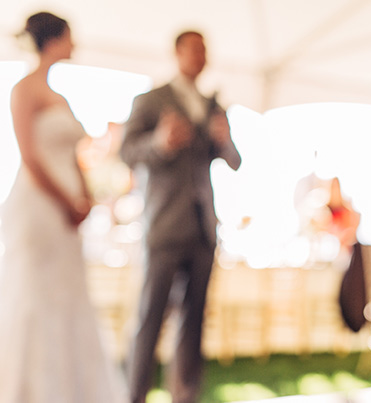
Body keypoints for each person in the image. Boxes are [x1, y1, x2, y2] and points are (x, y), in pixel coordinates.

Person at [0, 12, 125, 402]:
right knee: (34, 292)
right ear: (54, 39)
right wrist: (67, 200)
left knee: (68, 293)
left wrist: (85, 196)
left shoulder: (61, 96)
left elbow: (72, 156)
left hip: (67, 211)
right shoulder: (24, 90)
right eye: (70, 37)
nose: (75, 44)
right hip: (39, 209)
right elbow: (31, 158)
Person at [121, 30, 242, 403]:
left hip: (204, 229)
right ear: (177, 53)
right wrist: (160, 143)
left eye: (205, 50)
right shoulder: (152, 100)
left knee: (194, 324)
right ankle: (134, 396)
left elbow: (235, 161)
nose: (201, 56)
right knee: (150, 319)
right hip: (164, 226)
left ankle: (185, 397)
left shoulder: (213, 106)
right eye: (195, 49)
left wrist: (224, 140)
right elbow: (126, 152)